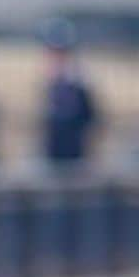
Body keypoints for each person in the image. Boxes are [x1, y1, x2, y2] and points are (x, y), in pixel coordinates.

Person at [39, 19, 98, 167]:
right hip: (54, 157)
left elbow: (89, 119)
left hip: (75, 157)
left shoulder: (79, 83)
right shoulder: (50, 84)